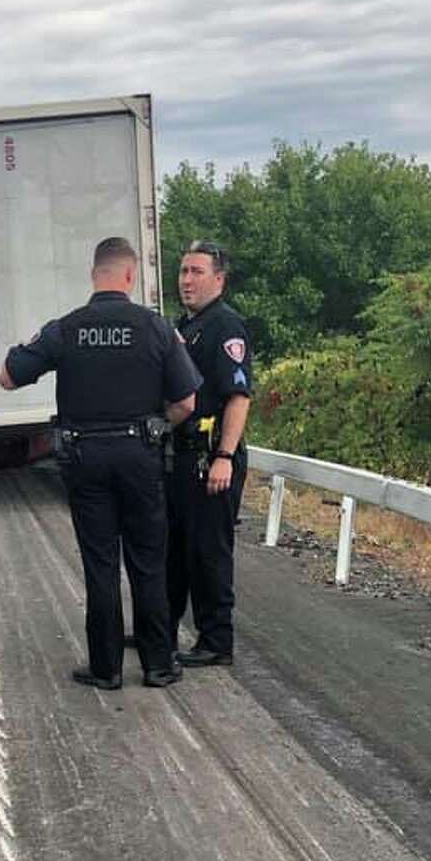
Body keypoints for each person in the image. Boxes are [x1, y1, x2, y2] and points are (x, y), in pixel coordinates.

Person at [0, 237, 199, 689]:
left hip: (85, 458)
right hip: (140, 456)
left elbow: (7, 377)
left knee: (100, 562)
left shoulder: (66, 329)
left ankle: (106, 668)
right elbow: (187, 402)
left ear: (94, 275)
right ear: (130, 276)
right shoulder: (156, 329)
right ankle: (158, 664)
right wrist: (154, 424)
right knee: (149, 560)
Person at [169, 241, 253, 667]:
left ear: (218, 279)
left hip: (211, 457)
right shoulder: (186, 325)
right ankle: (161, 629)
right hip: (180, 457)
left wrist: (224, 455)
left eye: (196, 272)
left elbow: (238, 397)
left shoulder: (225, 327)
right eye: (183, 271)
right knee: (176, 549)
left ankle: (216, 641)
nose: (186, 280)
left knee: (208, 551)